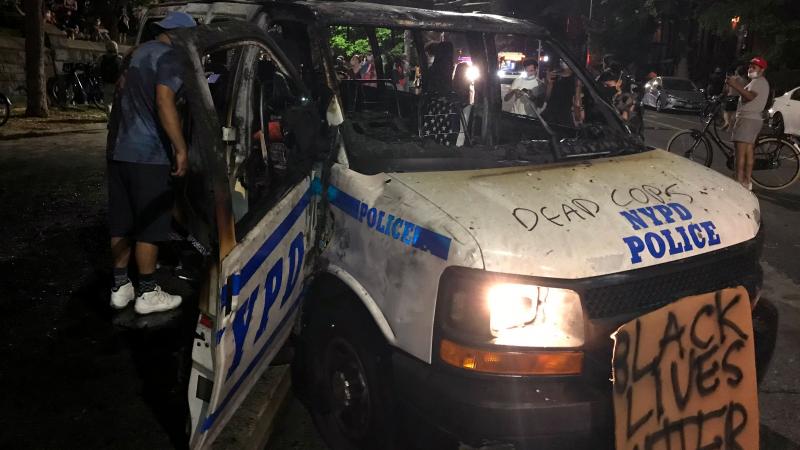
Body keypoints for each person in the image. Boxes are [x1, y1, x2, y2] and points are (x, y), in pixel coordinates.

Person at [106, 11, 197, 314]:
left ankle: (121, 287)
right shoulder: (171, 58)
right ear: (182, 35)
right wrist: (181, 148)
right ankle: (147, 291)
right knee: (150, 222)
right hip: (149, 154)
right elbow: (163, 100)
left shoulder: (136, 54)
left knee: (123, 219)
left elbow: (119, 92)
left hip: (120, 150)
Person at [726, 56, 770, 190]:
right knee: (748, 151)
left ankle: (739, 182)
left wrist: (734, 85)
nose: (750, 69)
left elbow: (749, 96)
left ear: (762, 70)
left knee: (740, 152)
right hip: (753, 119)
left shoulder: (758, 81)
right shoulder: (757, 82)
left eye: (754, 67)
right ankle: (746, 181)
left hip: (748, 120)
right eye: (750, 66)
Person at [721, 65, 746, 131]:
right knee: (735, 113)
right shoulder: (745, 81)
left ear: (737, 71)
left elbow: (726, 89)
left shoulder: (732, 78)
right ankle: (731, 127)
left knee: (726, 111)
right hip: (739, 98)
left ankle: (727, 122)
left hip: (731, 96)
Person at [98, 40, 122, 108]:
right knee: (117, 104)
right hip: (118, 84)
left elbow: (98, 68)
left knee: (108, 103)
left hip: (107, 83)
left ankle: (110, 116)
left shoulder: (102, 58)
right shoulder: (120, 59)